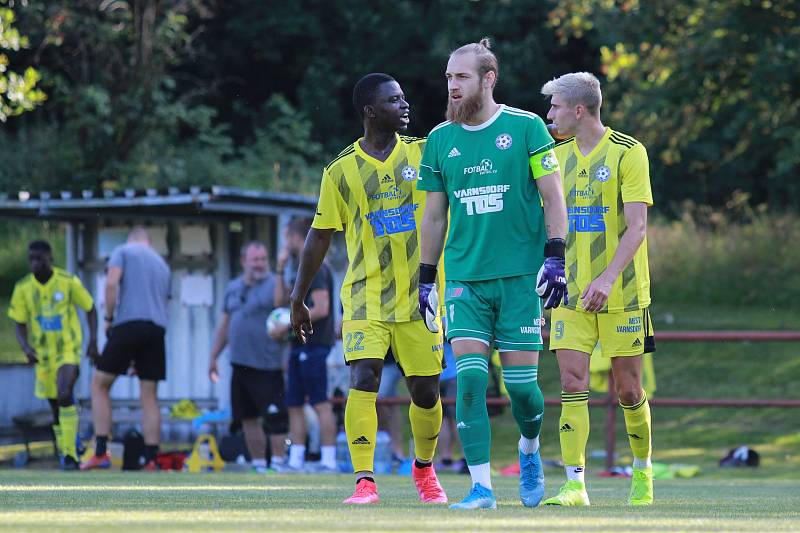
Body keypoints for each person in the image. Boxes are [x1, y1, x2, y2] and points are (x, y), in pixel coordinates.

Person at [417, 38, 568, 510]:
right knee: (469, 382)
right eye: (448, 77)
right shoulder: (440, 139)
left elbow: (554, 196)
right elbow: (435, 217)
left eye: (461, 76)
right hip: (464, 280)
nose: (452, 85)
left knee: (523, 390)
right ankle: (481, 487)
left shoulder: (525, 128)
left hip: (521, 278)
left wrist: (556, 256)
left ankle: (529, 449)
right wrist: (425, 278)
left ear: (488, 79)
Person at [290, 73, 447, 505]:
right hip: (364, 296)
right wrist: (297, 296)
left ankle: (424, 469)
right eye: (394, 100)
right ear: (370, 111)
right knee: (363, 377)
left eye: (405, 97)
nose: (405, 105)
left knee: (426, 392)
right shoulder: (340, 171)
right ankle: (364, 481)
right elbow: (319, 236)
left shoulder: (423, 153)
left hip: (421, 294)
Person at [540, 72, 655, 506]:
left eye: (555, 107)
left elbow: (638, 227)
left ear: (579, 109)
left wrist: (607, 278)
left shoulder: (629, 152)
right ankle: (575, 485)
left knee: (628, 390)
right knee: (572, 382)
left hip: (623, 293)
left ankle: (642, 472)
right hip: (569, 294)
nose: (549, 116)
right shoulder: (554, 156)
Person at [82, 227, 171, 471]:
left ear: (131, 239)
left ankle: (101, 452)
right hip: (156, 330)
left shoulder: (123, 251)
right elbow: (165, 303)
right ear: (148, 241)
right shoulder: (162, 264)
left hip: (128, 324)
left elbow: (111, 283)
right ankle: (152, 459)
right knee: (149, 395)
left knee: (99, 385)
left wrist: (109, 317)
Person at [8, 240, 98, 470]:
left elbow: (89, 307)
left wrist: (93, 340)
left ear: (50, 259)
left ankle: (70, 456)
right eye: (32, 259)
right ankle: (66, 450)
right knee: (56, 407)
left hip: (68, 349)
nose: (35, 264)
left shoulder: (67, 283)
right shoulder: (24, 288)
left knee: (64, 391)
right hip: (43, 356)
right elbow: (18, 322)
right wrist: (26, 348)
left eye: (40, 259)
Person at [208, 241, 288, 473]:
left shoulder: (275, 283)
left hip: (267, 364)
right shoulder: (233, 287)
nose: (260, 264)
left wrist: (280, 271)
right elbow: (225, 324)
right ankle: (259, 465)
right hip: (239, 363)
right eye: (255, 260)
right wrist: (213, 356)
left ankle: (280, 465)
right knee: (247, 418)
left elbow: (281, 304)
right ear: (244, 261)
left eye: (263, 259)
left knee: (275, 418)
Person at [273, 218, 337, 473]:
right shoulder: (297, 267)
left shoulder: (317, 266)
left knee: (320, 402)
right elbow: (280, 301)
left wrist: (289, 325)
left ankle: (329, 460)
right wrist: (279, 269)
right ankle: (296, 460)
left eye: (287, 238)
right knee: (294, 403)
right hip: (298, 345)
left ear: (296, 238)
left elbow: (322, 308)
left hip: (315, 345)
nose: (285, 244)